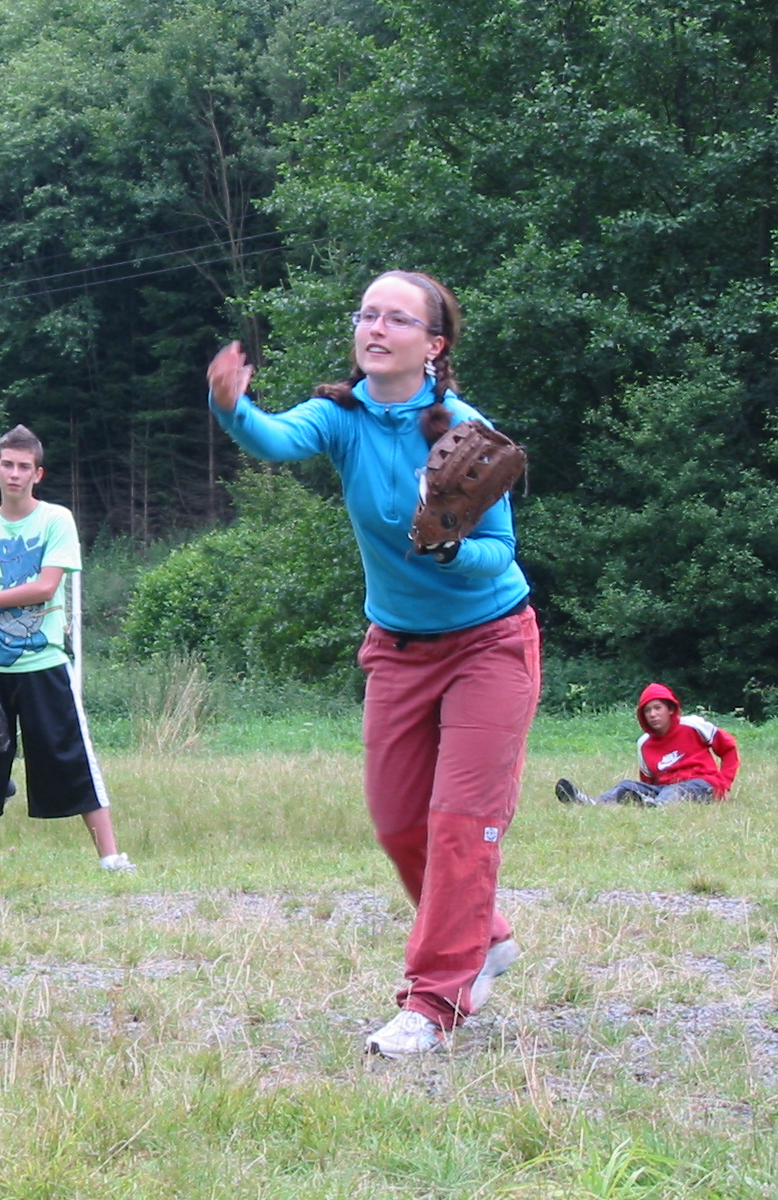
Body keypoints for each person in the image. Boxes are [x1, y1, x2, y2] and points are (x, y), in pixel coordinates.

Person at [205, 270, 539, 1057]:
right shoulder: (341, 416)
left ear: (434, 345)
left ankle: (433, 1003)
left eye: (397, 318)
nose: (376, 327)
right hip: (397, 648)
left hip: (489, 644)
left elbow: (500, 555)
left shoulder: (465, 430)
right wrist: (231, 407)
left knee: (460, 826)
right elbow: (275, 439)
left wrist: (449, 548)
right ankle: (486, 935)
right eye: (367, 314)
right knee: (398, 825)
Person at [0, 424, 133, 873]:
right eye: (8, 465)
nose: (15, 474)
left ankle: (110, 857)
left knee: (70, 755)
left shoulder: (55, 520)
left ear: (37, 473)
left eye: (24, 467)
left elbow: (46, 587)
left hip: (45, 663)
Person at [556, 683, 739, 806]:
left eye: (658, 708)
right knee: (627, 785)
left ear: (670, 709)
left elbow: (729, 749)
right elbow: (648, 780)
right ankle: (591, 803)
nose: (652, 714)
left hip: (702, 784)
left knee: (676, 791)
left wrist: (724, 784)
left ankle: (657, 806)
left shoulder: (693, 725)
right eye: (647, 710)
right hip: (663, 789)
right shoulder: (644, 744)